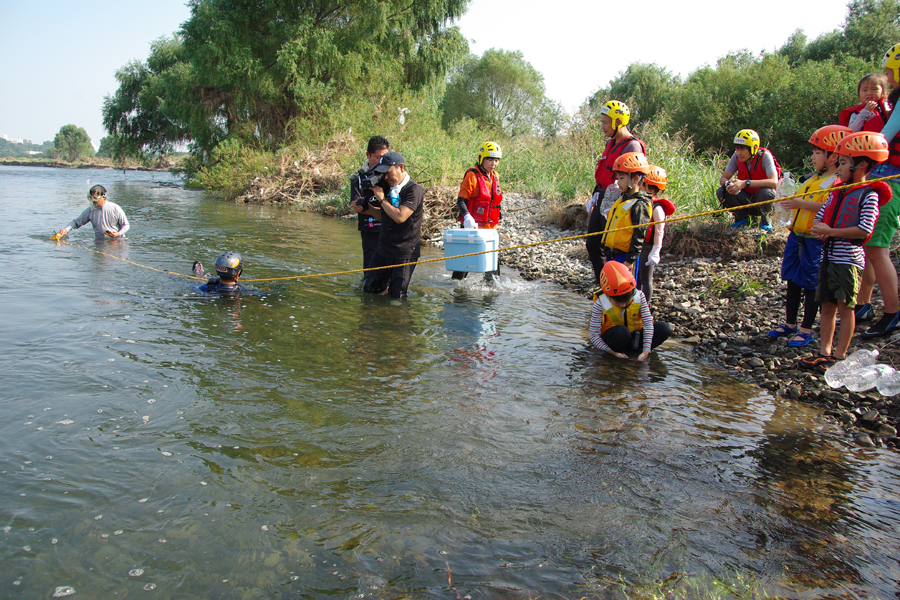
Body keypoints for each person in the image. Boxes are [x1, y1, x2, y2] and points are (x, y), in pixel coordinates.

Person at [799, 132, 890, 372]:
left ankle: (839, 356)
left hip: (848, 261)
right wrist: (820, 229)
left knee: (845, 307)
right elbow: (820, 218)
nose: (837, 168)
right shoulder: (837, 192)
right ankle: (824, 352)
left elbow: (863, 229)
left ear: (861, 165)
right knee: (826, 307)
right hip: (827, 258)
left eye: (842, 163)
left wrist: (831, 231)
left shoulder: (868, 195)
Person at [768, 125, 849, 348]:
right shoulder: (812, 178)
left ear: (833, 156)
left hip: (814, 240)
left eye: (817, 152)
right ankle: (790, 323)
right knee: (793, 279)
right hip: (798, 235)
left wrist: (800, 203)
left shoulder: (836, 182)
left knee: (811, 284)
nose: (813, 157)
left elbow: (831, 206)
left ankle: (806, 329)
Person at [852, 44, 900, 338]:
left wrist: (852, 153)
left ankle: (893, 313)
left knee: (876, 248)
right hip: (884, 177)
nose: (887, 75)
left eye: (890, 70)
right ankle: (864, 304)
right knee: (869, 243)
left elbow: (883, 139)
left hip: (891, 181)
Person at [585, 100, 646, 284]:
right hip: (602, 195)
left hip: (619, 200)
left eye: (605, 122)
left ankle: (617, 285)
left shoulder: (632, 145)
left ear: (618, 122)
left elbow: (636, 178)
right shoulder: (611, 142)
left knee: (611, 246)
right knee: (593, 243)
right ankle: (604, 283)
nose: (602, 126)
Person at [362, 151, 425, 299]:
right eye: (383, 174)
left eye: (388, 172)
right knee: (369, 288)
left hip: (404, 252)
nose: (386, 177)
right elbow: (385, 216)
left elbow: (399, 216)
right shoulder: (388, 187)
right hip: (383, 249)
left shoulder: (414, 190)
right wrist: (369, 209)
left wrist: (382, 200)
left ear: (401, 168)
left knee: (397, 296)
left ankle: (395, 319)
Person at [589, 261, 671, 361]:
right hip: (616, 341)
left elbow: (648, 324)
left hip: (635, 339)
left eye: (627, 302)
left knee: (664, 328)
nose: (623, 305)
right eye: (619, 303)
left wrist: (646, 350)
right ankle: (615, 358)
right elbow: (594, 336)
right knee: (622, 332)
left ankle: (637, 353)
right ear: (609, 296)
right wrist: (613, 353)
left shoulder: (640, 296)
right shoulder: (600, 303)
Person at [453, 141, 503, 281]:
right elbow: (461, 201)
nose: (493, 163)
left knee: (493, 265)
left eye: (496, 160)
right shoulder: (472, 176)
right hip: (472, 226)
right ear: (482, 158)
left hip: (491, 226)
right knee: (464, 265)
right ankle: (457, 290)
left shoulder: (495, 176)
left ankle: (492, 292)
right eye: (490, 159)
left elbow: (495, 200)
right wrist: (467, 216)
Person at [716, 129, 780, 231]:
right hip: (746, 199)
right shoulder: (736, 156)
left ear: (754, 148)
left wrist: (746, 183)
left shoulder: (765, 156)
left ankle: (765, 219)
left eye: (742, 149)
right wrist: (729, 184)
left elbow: (774, 182)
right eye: (737, 148)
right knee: (722, 191)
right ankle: (742, 218)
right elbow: (723, 179)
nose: (738, 152)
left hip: (763, 200)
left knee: (766, 192)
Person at [600, 152, 652, 272]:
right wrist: (607, 253)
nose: (618, 182)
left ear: (635, 179)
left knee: (624, 290)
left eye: (622, 178)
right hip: (612, 255)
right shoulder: (622, 201)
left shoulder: (639, 204)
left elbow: (639, 234)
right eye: (618, 178)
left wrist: (630, 261)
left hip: (625, 257)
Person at [349, 136, 390, 269]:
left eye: (384, 157)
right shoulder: (358, 178)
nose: (381, 161)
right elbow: (356, 206)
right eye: (377, 157)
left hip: (389, 227)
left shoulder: (390, 175)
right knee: (370, 267)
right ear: (368, 155)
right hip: (370, 229)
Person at [638, 165, 675, 302]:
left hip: (649, 247)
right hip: (641, 246)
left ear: (648, 186)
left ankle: (645, 304)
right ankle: (636, 302)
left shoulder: (657, 207)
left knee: (645, 278)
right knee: (637, 277)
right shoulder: (644, 203)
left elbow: (659, 230)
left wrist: (656, 250)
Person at [54, 185, 129, 240]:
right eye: (91, 198)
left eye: (95, 198)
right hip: (100, 242)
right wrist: (66, 229)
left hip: (117, 242)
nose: (93, 201)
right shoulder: (91, 210)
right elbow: (76, 222)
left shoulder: (115, 208)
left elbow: (126, 225)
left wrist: (118, 234)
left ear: (103, 196)